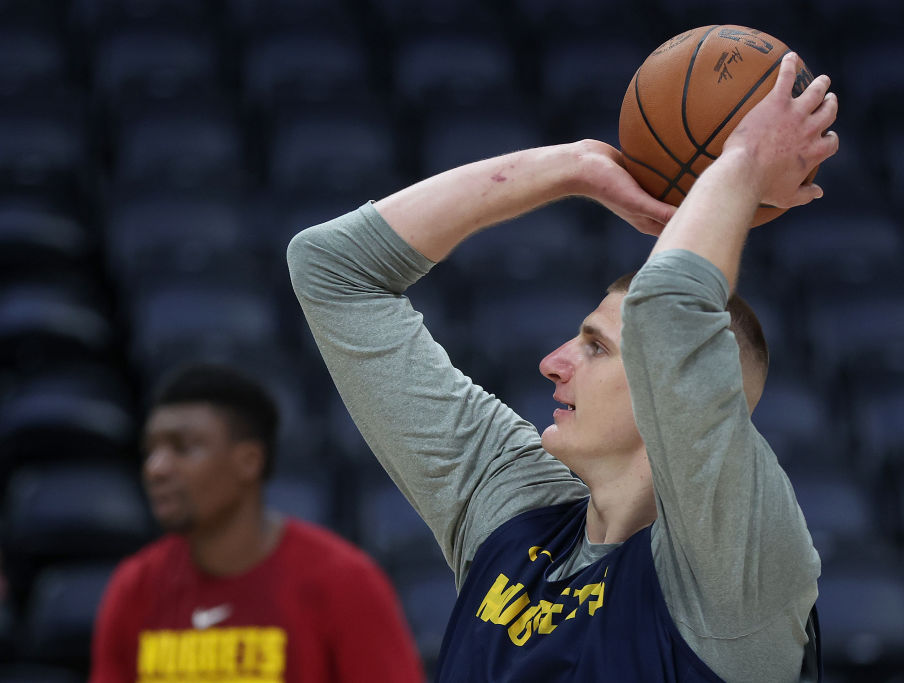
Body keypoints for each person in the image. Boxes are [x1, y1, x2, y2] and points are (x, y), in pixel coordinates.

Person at [287, 52, 838, 682]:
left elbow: (670, 312)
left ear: (676, 389)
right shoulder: (514, 511)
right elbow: (333, 272)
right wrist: (573, 168)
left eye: (596, 347)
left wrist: (744, 161)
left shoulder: (738, 570)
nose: (552, 364)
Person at [89, 363, 424, 683]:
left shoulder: (345, 582)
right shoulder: (135, 587)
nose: (156, 469)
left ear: (249, 461)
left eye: (183, 447)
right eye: (150, 450)